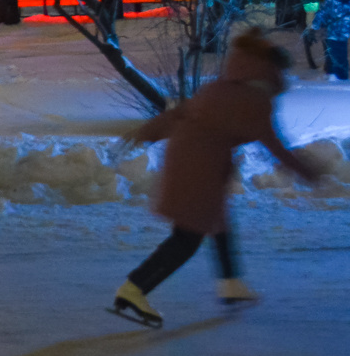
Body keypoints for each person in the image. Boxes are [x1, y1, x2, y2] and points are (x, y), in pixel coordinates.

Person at [110, 29, 323, 328]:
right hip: (200, 168)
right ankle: (134, 288)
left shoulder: (221, 89)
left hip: (189, 161)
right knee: (187, 238)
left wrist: (147, 131)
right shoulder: (254, 100)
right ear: (270, 68)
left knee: (218, 218)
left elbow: (181, 114)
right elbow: (275, 145)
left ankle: (230, 282)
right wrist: (308, 172)